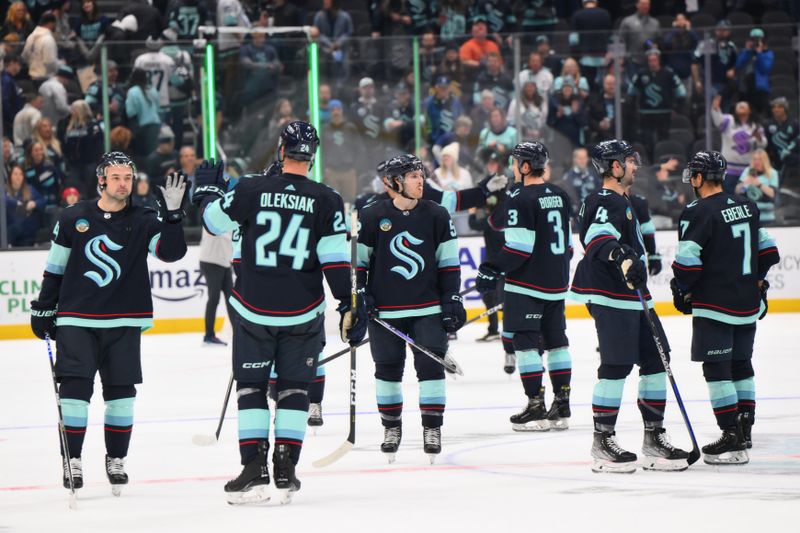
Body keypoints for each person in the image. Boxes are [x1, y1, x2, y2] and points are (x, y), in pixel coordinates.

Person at [196, 121, 367, 504]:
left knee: (253, 389)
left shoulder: (249, 188)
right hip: (302, 312)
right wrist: (349, 304)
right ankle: (286, 466)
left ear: (280, 149)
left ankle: (253, 467)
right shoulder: (327, 198)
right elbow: (336, 262)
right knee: (295, 389)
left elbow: (211, 222)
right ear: (313, 154)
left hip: (254, 310)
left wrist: (206, 194)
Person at [29, 151, 188, 494]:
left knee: (121, 398)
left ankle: (116, 459)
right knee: (73, 394)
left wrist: (173, 217)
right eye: (116, 177)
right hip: (76, 319)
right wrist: (44, 307)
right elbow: (55, 268)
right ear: (101, 180)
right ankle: (72, 459)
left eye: (128, 177)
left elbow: (171, 253)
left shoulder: (145, 218)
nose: (123, 183)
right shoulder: (73, 218)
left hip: (124, 322)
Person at [569, 139, 690, 473]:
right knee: (617, 364)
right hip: (610, 294)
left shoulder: (625, 201)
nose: (636, 166)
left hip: (633, 295)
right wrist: (622, 256)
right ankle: (602, 441)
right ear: (615, 167)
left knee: (656, 358)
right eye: (630, 161)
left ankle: (653, 438)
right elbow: (598, 239)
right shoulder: (604, 199)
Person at [671, 151, 779, 464]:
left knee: (717, 369)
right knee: (742, 364)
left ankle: (730, 434)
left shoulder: (696, 211)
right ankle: (744, 429)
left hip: (715, 304)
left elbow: (687, 264)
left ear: (700, 177)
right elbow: (769, 251)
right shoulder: (748, 204)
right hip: (747, 303)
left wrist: (683, 289)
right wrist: (758, 282)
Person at [357, 154, 465, 463]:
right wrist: (360, 295)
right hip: (385, 314)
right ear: (393, 182)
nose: (421, 181)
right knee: (387, 372)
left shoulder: (437, 214)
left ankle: (432, 428)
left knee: (430, 370)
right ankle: (391, 428)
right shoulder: (371, 216)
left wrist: (452, 299)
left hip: (428, 308)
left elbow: (449, 264)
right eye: (413, 176)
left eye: (421, 175)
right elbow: (359, 265)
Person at [476, 142, 574, 431]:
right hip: (556, 285)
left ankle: (535, 405)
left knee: (526, 342)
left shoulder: (521, 198)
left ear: (526, 166)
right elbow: (567, 247)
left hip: (527, 286)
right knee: (557, 341)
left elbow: (519, 249)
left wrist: (491, 269)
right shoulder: (560, 194)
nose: (512, 166)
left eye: (515, 162)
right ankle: (562, 403)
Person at [628, 49, 686, 157]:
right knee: (647, 139)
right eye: (650, 60)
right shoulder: (641, 74)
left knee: (663, 138)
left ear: (658, 61)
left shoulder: (668, 73)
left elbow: (681, 92)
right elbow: (631, 92)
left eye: (654, 60)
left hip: (664, 112)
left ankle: (662, 158)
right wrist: (634, 109)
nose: (652, 63)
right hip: (646, 113)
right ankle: (649, 160)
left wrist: (677, 109)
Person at [711, 96, 766, 193]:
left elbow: (763, 145)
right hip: (729, 170)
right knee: (729, 199)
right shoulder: (729, 121)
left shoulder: (755, 126)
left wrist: (758, 137)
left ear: (750, 110)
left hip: (748, 170)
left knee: (746, 199)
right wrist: (715, 108)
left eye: (744, 105)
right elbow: (718, 120)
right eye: (739, 105)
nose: (741, 106)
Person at [198, 226, 235, 346]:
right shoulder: (213, 213)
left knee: (232, 300)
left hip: (224, 262)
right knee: (214, 298)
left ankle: (239, 334)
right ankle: (209, 335)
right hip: (211, 261)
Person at [320, 99, 360, 202]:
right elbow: (321, 151)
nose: (336, 112)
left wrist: (355, 168)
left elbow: (359, 149)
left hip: (349, 170)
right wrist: (325, 169)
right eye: (333, 110)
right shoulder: (324, 129)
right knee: (332, 201)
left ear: (342, 111)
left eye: (338, 109)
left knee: (350, 202)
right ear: (329, 112)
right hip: (331, 171)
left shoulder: (350, 128)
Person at [63, 100, 104, 188]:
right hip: (74, 164)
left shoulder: (93, 126)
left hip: (89, 163)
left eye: (74, 110)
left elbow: (98, 146)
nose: (72, 112)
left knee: (89, 187)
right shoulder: (70, 126)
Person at [125, 68, 162, 161]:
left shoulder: (132, 91)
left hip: (141, 126)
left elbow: (131, 112)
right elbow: (158, 107)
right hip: (156, 124)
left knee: (142, 156)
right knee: (154, 153)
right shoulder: (152, 90)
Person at [735, 28, 774, 115]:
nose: (755, 42)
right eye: (753, 39)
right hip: (745, 89)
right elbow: (738, 65)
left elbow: (765, 69)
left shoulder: (768, 53)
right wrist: (747, 50)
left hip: (760, 89)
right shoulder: (745, 52)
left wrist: (759, 53)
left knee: (761, 113)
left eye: (758, 39)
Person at [4, 163, 44, 246]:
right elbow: (2, 200)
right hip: (10, 234)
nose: (18, 176)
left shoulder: (29, 189)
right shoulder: (4, 190)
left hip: (27, 235)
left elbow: (42, 201)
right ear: (10, 176)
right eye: (15, 174)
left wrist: (35, 203)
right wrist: (15, 203)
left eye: (20, 174)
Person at [736, 149, 779, 226]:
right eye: (755, 159)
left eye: (759, 159)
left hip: (766, 215)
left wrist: (759, 184)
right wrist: (744, 184)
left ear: (765, 161)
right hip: (749, 214)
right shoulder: (747, 171)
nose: (756, 162)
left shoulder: (772, 173)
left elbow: (772, 194)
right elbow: (737, 191)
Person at [559, 147, 602, 222]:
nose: (583, 161)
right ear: (574, 159)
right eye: (580, 158)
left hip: (594, 214)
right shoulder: (568, 177)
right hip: (577, 216)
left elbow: (599, 192)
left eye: (585, 157)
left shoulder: (593, 174)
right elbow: (569, 199)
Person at [765, 97, 799, 186]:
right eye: (774, 107)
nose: (776, 109)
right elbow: (765, 144)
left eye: (779, 107)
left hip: (791, 163)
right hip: (773, 163)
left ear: (785, 109)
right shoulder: (767, 124)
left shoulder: (795, 124)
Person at [618, 0, 660, 66]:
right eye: (643, 4)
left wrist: (655, 45)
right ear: (637, 5)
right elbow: (621, 41)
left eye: (647, 4)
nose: (645, 6)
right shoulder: (627, 21)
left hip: (650, 61)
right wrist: (622, 57)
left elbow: (659, 41)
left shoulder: (655, 23)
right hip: (632, 60)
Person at [425, 76, 463, 146]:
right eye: (441, 87)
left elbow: (460, 120)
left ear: (449, 88)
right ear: (436, 87)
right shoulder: (429, 102)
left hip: (452, 141)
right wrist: (431, 137)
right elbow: (426, 123)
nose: (443, 90)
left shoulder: (456, 102)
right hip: (433, 141)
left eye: (445, 88)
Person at [21, 11, 58, 82]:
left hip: (32, 76)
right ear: (51, 24)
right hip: (45, 78)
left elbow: (24, 56)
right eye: (55, 24)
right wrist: (59, 64)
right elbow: (49, 61)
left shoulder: (31, 37)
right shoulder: (48, 39)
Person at [23, 141, 61, 207]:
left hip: (52, 202)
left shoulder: (50, 167)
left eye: (41, 150)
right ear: (31, 153)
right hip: (36, 203)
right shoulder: (27, 170)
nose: (39, 152)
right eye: (36, 150)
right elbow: (27, 188)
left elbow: (58, 186)